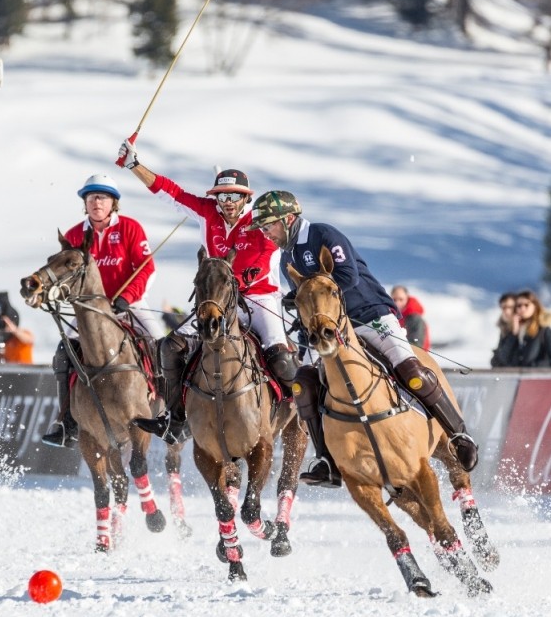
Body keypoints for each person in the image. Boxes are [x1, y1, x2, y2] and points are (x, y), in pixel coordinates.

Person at [247, 190, 479, 488]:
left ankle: (459, 435)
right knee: (304, 384)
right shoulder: (287, 258)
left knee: (409, 370)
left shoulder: (322, 234)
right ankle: (326, 460)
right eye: (263, 228)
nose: (266, 234)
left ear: (288, 219)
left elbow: (347, 275)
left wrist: (312, 292)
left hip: (369, 315)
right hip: (326, 332)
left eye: (268, 226)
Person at [116, 139, 298, 445]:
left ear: (244, 198)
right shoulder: (207, 213)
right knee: (169, 348)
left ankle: (299, 412)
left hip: (260, 298)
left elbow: (260, 259)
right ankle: (176, 418)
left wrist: (231, 280)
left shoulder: (260, 221)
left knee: (281, 359)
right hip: (218, 301)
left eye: (233, 196)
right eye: (221, 195)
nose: (226, 201)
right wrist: (134, 165)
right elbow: (170, 192)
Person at [40, 173, 166, 448]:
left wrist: (128, 297)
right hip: (90, 314)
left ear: (113, 203)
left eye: (103, 197)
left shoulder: (131, 228)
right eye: (91, 197)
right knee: (64, 354)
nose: (96, 202)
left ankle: (170, 413)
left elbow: (146, 268)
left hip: (128, 305)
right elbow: (65, 276)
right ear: (84, 203)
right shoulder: (74, 235)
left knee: (161, 344)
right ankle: (66, 421)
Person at [490, 290, 551, 367]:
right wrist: (514, 334)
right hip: (516, 377)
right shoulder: (514, 332)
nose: (522, 308)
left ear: (535, 306)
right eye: (519, 306)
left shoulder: (543, 331)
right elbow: (502, 359)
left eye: (526, 305)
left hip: (536, 376)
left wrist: (534, 367)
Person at [390, 285, 430, 350]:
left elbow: (417, 343)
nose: (397, 303)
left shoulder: (415, 318)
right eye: (394, 299)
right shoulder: (391, 316)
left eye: (401, 299)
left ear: (407, 298)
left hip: (417, 354)